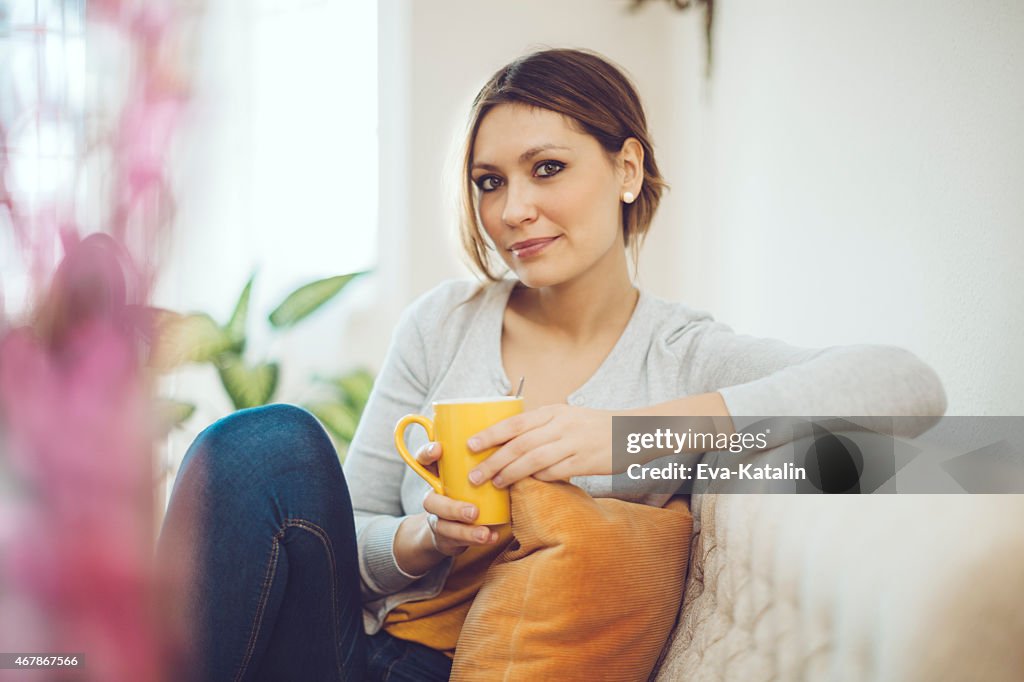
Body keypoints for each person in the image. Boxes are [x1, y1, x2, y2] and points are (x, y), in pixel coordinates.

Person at [157, 48, 946, 681]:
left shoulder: (683, 354)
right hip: (353, 658)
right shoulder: (443, 323)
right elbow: (355, 527)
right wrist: (423, 543)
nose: (511, 211)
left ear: (628, 169)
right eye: (489, 182)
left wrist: (628, 438)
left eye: (547, 168)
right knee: (264, 443)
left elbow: (909, 386)